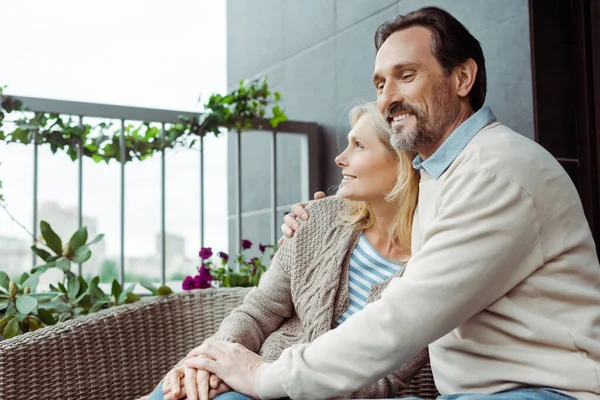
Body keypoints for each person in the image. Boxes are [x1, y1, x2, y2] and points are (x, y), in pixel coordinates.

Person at [184, 6, 600, 400]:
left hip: (542, 390)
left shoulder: (495, 171)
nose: (388, 98)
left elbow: (400, 319)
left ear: (462, 78)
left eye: (406, 75)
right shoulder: (443, 174)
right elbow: (269, 305)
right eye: (380, 83)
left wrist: (264, 375)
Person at [149, 102, 428, 400]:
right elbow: (258, 311)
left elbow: (385, 379)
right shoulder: (318, 219)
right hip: (252, 373)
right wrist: (215, 363)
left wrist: (265, 381)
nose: (340, 158)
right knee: (183, 387)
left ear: (401, 161)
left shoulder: (432, 264)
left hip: (290, 388)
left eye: (358, 146)